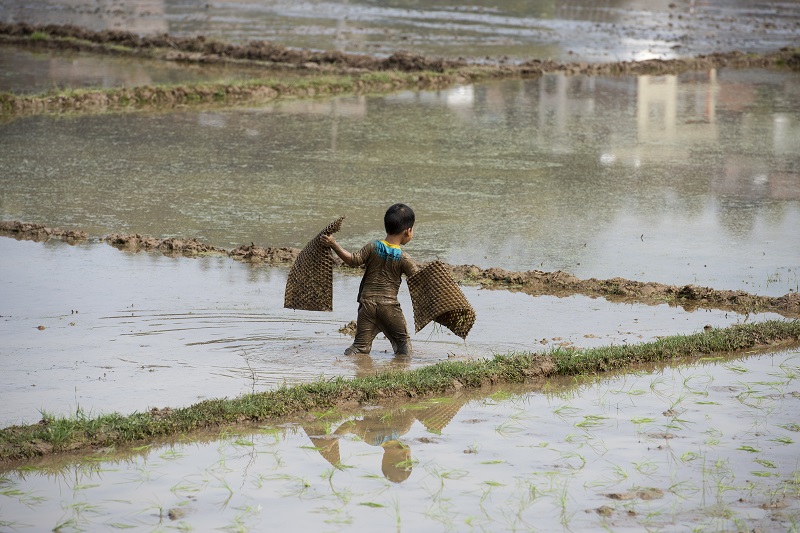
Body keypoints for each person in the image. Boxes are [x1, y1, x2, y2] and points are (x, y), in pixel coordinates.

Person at [322, 203, 419, 356]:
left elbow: (353, 260)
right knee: (403, 345)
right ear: (408, 231)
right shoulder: (404, 258)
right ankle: (402, 370)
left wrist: (334, 244)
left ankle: (344, 365)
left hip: (367, 306)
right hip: (389, 308)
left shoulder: (373, 246)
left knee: (359, 347)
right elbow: (418, 278)